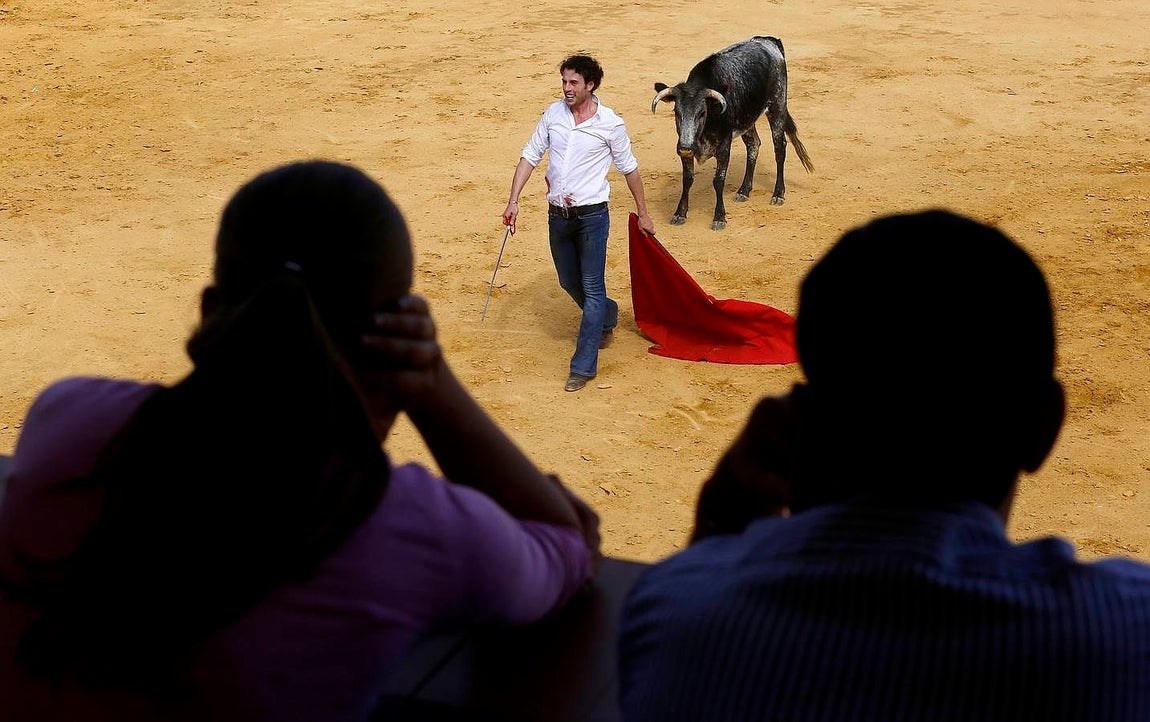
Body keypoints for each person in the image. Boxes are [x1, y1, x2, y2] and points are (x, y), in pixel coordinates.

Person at [0, 160, 600, 722]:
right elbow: (567, 539)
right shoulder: (405, 524)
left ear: (209, 314)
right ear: (394, 347)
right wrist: (432, 384)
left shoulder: (68, 422)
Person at [619, 209, 1150, 721]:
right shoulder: (1126, 632)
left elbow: (684, 604)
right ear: (1044, 429)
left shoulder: (677, 612)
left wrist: (719, 525)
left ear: (803, 424)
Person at [502, 54, 657, 392]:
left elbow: (629, 169)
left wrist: (643, 211)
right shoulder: (553, 114)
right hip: (558, 215)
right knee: (568, 281)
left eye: (573, 83)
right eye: (564, 82)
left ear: (590, 85)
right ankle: (607, 314)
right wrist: (513, 200)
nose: (567, 89)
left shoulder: (610, 124)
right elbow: (529, 156)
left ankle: (583, 366)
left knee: (591, 287)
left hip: (592, 217)